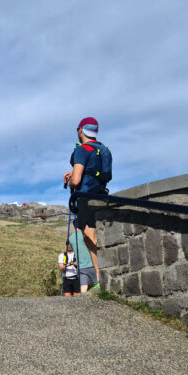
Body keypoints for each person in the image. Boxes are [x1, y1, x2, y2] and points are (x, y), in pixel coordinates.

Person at [62, 116, 108, 289]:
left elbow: (76, 181)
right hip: (101, 193)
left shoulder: (81, 150)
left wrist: (70, 180)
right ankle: (98, 276)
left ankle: (100, 276)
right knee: (89, 235)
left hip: (86, 196)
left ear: (81, 130)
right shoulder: (100, 149)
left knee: (89, 235)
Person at [69, 229, 96, 294]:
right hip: (92, 264)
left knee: (83, 289)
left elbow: (73, 250)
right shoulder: (86, 234)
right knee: (99, 284)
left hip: (81, 267)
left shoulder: (71, 238)